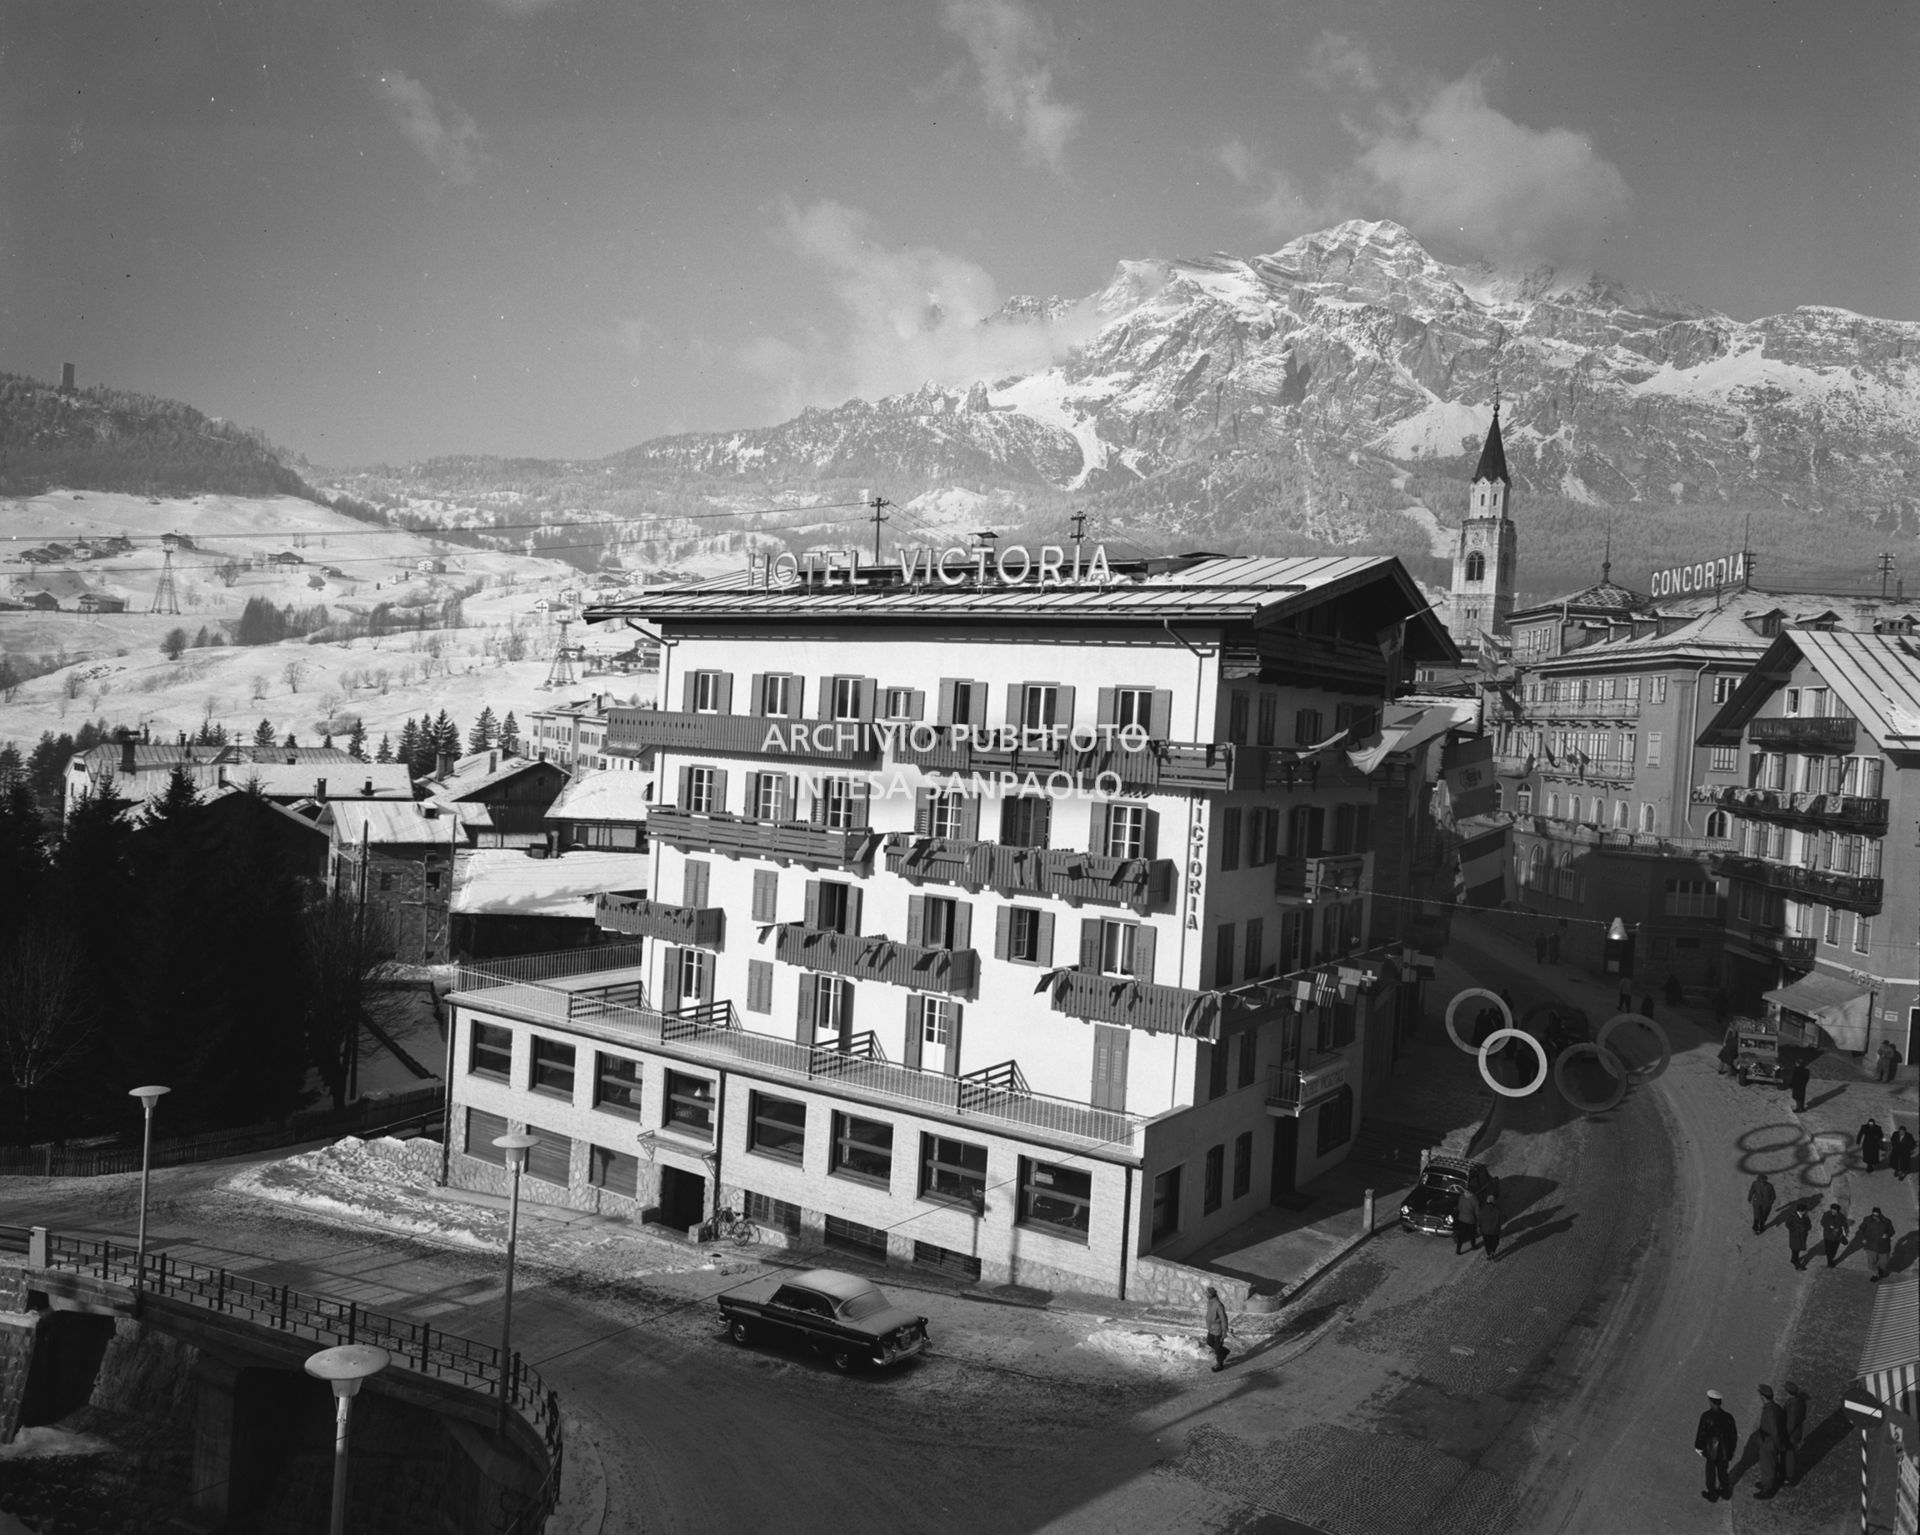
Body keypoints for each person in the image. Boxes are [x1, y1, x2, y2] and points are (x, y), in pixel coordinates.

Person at [1695, 1389, 1737, 1502]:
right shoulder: (1729, 1417)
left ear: (1711, 1402)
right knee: (1723, 1472)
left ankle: (1712, 1494)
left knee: (1710, 1474)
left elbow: (1701, 1434)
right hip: (1724, 1451)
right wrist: (1731, 1451)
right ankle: (1725, 1493)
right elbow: (1733, 1436)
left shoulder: (1706, 1416)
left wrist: (1698, 1446)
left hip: (1711, 1451)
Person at [1755, 1385, 1786, 1498]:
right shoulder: (1775, 1407)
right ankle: (1766, 1483)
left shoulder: (1770, 1412)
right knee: (1770, 1463)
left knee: (1767, 1465)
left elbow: (1775, 1431)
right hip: (1768, 1440)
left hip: (1769, 1442)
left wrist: (1778, 1445)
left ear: (1763, 1396)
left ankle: (1767, 1490)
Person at [1782, 1382, 1810, 1487]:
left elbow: (1791, 1424)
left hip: (1792, 1435)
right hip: (1797, 1432)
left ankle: (1789, 1478)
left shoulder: (1793, 1406)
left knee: (1790, 1457)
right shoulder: (1800, 1401)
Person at [1859, 1206, 1895, 1281]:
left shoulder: (1886, 1221)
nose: (1875, 1216)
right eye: (1874, 1214)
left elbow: (1892, 1231)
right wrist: (1863, 1238)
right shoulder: (1867, 1219)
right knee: (1872, 1261)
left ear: (1880, 1214)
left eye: (1877, 1214)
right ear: (1872, 1214)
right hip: (1871, 1244)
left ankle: (1881, 1269)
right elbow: (1861, 1229)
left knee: (1884, 1261)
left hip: (1884, 1245)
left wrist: (1887, 1234)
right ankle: (1875, 1275)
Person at [1203, 1285, 1232, 1371]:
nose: (1206, 1295)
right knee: (1209, 1342)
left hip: (1218, 1330)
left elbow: (1223, 1319)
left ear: (1210, 1295)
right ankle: (1225, 1351)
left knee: (1217, 1348)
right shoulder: (1210, 1302)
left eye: (1207, 1294)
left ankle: (1220, 1365)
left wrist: (1224, 1332)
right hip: (1211, 1328)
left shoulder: (1218, 1305)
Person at [1783, 1201, 1812, 1270]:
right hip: (1795, 1236)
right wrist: (1795, 1229)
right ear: (1801, 1211)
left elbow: (1809, 1224)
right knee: (1795, 1250)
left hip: (1802, 1235)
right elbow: (1788, 1224)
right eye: (1805, 1210)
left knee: (1797, 1250)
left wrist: (1806, 1228)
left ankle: (1793, 1260)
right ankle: (1797, 1265)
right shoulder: (1792, 1216)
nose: (1806, 1212)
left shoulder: (1805, 1216)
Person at [1821, 1202, 1851, 1267]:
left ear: (1838, 1210)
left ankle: (1830, 1259)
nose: (1833, 1211)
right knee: (1828, 1249)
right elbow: (1822, 1222)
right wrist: (1829, 1226)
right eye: (1832, 1210)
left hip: (1837, 1236)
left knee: (1834, 1249)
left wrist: (1840, 1229)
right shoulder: (1826, 1214)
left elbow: (1845, 1225)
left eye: (1835, 1210)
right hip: (1828, 1235)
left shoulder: (1842, 1217)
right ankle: (1830, 1262)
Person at [1454, 1183, 1481, 1255]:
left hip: (1462, 1219)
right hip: (1471, 1220)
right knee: (1472, 1234)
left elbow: (1459, 1207)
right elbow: (1477, 1212)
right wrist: (1479, 1222)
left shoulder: (1461, 1197)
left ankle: (1458, 1250)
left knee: (1461, 1236)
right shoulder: (1474, 1199)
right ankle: (1473, 1246)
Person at [1478, 1190, 1504, 1261]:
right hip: (1494, 1231)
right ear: (1493, 1202)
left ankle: (1489, 1253)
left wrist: (1479, 1227)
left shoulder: (1482, 1210)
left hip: (1485, 1231)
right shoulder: (1497, 1211)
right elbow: (1501, 1220)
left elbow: (1479, 1220)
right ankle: (1492, 1252)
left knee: (1487, 1244)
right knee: (1495, 1242)